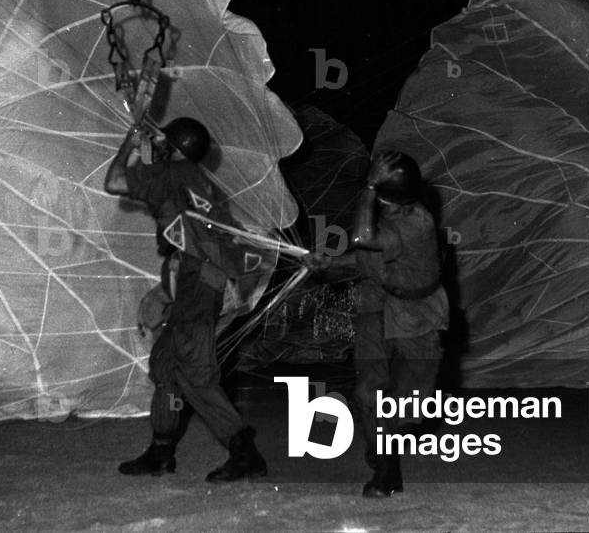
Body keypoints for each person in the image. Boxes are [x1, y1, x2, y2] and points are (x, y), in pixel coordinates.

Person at [105, 116, 267, 483]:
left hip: (198, 281)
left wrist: (131, 143)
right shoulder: (196, 179)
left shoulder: (174, 176)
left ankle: (245, 453)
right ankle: (161, 452)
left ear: (176, 148)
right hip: (200, 279)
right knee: (166, 367)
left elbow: (115, 181)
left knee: (195, 375)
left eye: (165, 142)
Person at [305, 151, 448, 498]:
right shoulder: (395, 216)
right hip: (378, 303)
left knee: (411, 404)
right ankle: (387, 470)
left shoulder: (417, 224)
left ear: (383, 196)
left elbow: (363, 239)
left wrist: (368, 186)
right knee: (369, 391)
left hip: (418, 315)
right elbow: (366, 257)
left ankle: (389, 443)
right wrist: (330, 263)